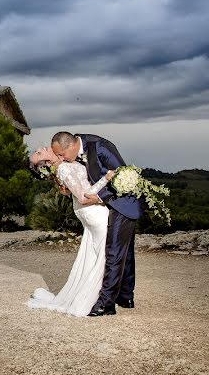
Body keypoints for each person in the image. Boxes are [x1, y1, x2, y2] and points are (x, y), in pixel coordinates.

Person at [51, 131, 143, 317]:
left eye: (61, 154)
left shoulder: (100, 146)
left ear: (71, 146)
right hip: (108, 204)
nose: (61, 158)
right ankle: (125, 297)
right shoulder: (77, 152)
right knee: (126, 252)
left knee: (114, 252)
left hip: (123, 202)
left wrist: (100, 197)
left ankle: (106, 304)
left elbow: (124, 176)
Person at [26, 147, 114, 317]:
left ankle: (101, 296)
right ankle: (94, 299)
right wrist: (106, 178)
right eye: (38, 154)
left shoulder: (63, 165)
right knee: (102, 254)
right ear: (45, 164)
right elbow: (83, 197)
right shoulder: (64, 169)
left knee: (93, 254)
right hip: (93, 211)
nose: (40, 149)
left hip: (86, 213)